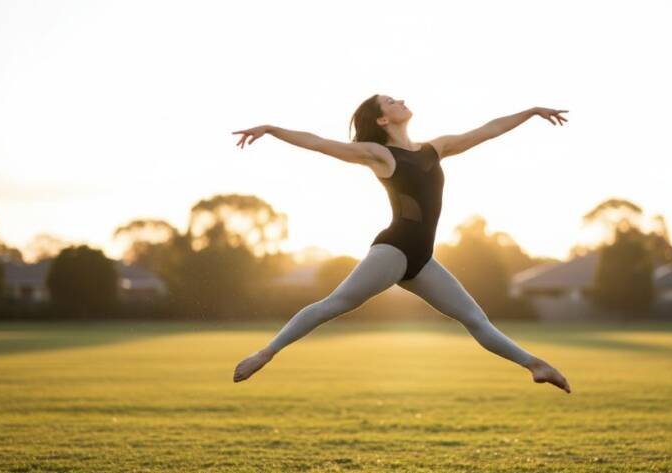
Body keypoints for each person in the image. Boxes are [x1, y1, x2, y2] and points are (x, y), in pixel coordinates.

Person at [230, 94, 571, 393]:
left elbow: (489, 129)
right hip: (393, 249)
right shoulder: (379, 154)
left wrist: (531, 111)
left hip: (421, 259)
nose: (400, 100)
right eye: (391, 101)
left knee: (475, 319)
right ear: (382, 119)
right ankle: (266, 353)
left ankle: (535, 366)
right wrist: (272, 129)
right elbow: (319, 143)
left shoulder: (435, 148)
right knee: (334, 305)